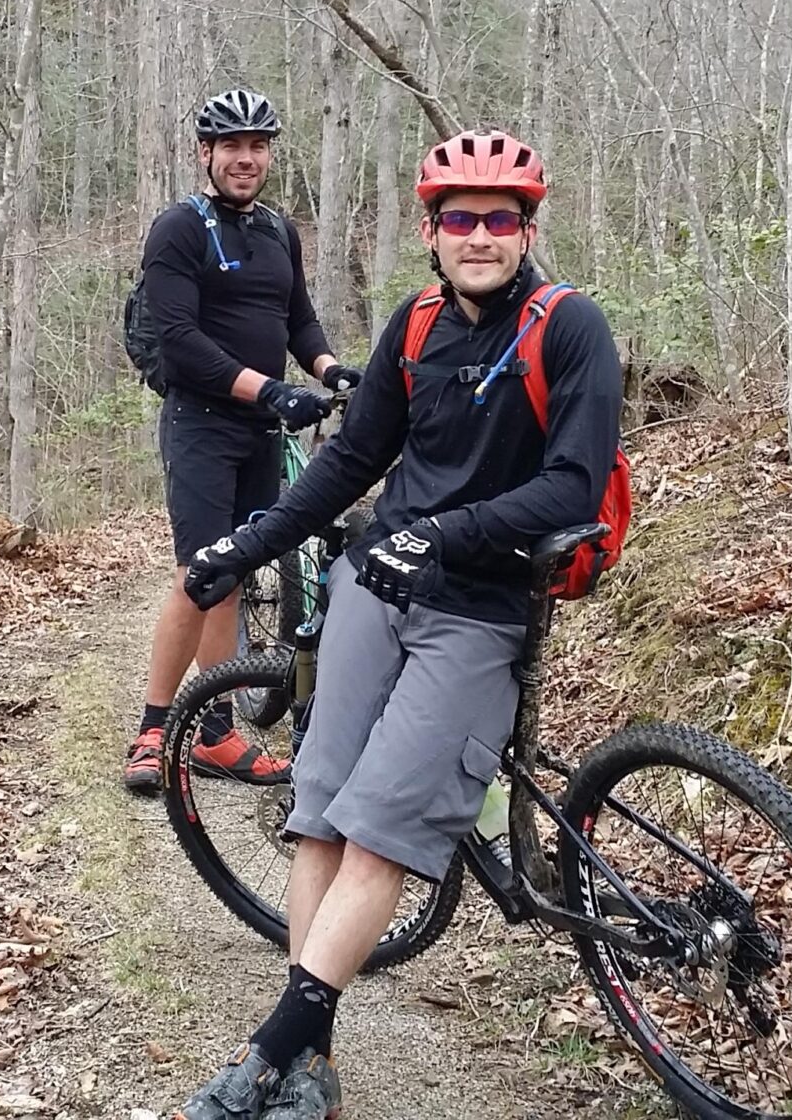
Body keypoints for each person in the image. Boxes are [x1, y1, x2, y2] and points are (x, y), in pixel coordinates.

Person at [172, 130, 623, 1119]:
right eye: (459, 218)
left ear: (525, 231)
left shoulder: (569, 328)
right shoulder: (415, 328)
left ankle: (262, 1057)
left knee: (376, 839)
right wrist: (241, 551)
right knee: (320, 818)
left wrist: (448, 535)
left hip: (480, 612)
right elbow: (350, 462)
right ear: (430, 230)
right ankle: (313, 1067)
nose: (478, 235)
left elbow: (571, 486)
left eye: (498, 220)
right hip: (376, 597)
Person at [126, 88, 361, 795]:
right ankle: (150, 731)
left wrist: (326, 368)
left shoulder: (277, 232)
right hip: (201, 425)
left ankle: (217, 733)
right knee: (200, 575)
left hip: (261, 431)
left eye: (258, 146)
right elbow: (181, 341)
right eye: (232, 146)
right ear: (206, 154)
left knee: (233, 574)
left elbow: (296, 319)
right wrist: (269, 389)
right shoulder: (178, 229)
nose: (246, 159)